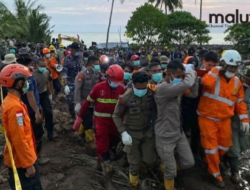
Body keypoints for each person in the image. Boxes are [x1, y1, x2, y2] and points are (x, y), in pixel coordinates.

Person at [197, 50, 249, 188]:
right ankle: (215, 175)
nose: (233, 70)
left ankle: (211, 160)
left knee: (225, 146)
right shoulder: (212, 76)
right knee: (211, 147)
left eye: (235, 67)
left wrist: (245, 120)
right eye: (230, 66)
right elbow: (206, 83)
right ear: (223, 64)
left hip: (224, 120)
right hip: (207, 118)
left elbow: (240, 103)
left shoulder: (237, 82)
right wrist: (215, 70)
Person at [73, 65, 125, 190]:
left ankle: (99, 162)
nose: (116, 84)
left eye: (118, 82)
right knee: (104, 150)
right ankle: (108, 180)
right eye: (114, 81)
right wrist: (79, 117)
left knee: (110, 147)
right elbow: (87, 103)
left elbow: (124, 109)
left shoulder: (122, 89)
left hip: (115, 124)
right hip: (100, 123)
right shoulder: (98, 87)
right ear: (107, 77)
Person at [154, 60, 198, 190]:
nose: (181, 79)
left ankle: (166, 167)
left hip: (178, 132)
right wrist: (191, 72)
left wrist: (193, 79)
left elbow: (193, 93)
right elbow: (187, 83)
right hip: (165, 134)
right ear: (169, 74)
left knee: (189, 162)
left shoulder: (175, 87)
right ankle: (169, 184)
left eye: (182, 77)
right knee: (171, 172)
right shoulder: (162, 88)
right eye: (179, 77)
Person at [0, 64, 42, 190]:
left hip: (20, 158)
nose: (28, 84)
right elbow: (19, 138)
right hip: (21, 162)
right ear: (19, 83)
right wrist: (28, 164)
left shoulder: (11, 102)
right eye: (26, 81)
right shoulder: (15, 108)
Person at [112, 71, 156, 189]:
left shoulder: (152, 92)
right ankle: (134, 184)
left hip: (147, 133)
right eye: (138, 88)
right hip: (131, 134)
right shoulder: (125, 97)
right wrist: (123, 133)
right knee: (134, 164)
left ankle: (145, 169)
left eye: (144, 88)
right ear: (133, 84)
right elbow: (116, 115)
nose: (141, 91)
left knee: (149, 160)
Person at [181, 51, 218, 161]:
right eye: (209, 65)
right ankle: (187, 152)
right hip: (190, 105)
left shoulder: (216, 75)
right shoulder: (194, 72)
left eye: (213, 65)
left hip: (206, 108)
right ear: (203, 62)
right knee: (187, 128)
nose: (210, 68)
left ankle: (197, 152)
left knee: (198, 131)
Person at [74, 55, 100, 144]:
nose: (98, 66)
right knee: (88, 120)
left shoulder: (97, 74)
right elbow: (77, 89)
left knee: (88, 119)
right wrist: (77, 103)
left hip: (93, 103)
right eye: (97, 64)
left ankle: (81, 133)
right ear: (91, 64)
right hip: (84, 102)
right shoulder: (82, 75)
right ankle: (90, 140)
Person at [33, 58, 54, 142]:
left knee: (48, 112)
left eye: (45, 66)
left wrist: (50, 94)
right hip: (35, 95)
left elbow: (47, 82)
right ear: (36, 66)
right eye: (41, 66)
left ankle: (50, 133)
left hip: (44, 93)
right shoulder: (32, 75)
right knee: (36, 114)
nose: (43, 68)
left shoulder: (46, 72)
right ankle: (38, 133)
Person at [62, 42, 82, 123]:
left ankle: (79, 116)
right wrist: (65, 85)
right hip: (70, 82)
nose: (78, 52)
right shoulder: (67, 60)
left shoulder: (80, 58)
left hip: (79, 81)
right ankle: (72, 115)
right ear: (73, 50)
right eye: (77, 50)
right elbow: (64, 73)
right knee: (70, 100)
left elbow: (81, 70)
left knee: (79, 100)